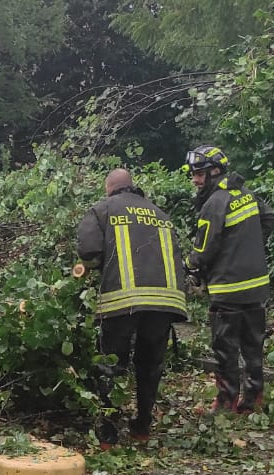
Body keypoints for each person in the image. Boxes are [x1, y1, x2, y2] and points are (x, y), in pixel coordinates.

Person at [75, 167, 189, 446]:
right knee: (150, 366)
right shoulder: (160, 214)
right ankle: (142, 428)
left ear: (109, 188)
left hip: (122, 302)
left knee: (111, 365)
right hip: (165, 302)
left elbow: (88, 252)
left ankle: (109, 434)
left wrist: (91, 271)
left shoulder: (102, 209)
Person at [185, 145, 274, 414]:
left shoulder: (215, 204)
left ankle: (226, 403)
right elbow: (269, 218)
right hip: (257, 286)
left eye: (199, 174)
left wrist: (188, 267)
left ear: (215, 171)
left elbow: (203, 250)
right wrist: (248, 246)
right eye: (193, 174)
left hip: (228, 289)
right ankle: (253, 398)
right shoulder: (246, 195)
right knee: (253, 346)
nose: (195, 180)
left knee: (226, 349)